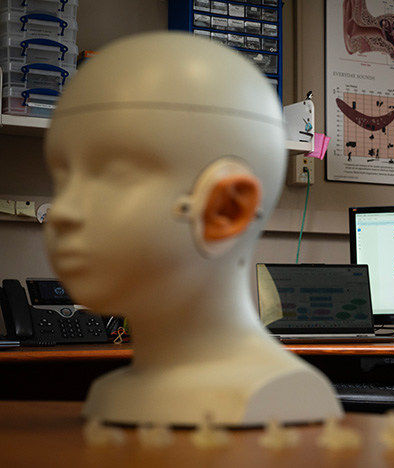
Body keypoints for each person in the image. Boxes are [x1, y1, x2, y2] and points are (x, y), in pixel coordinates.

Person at [43, 31, 342, 427]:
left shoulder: (276, 394)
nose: (61, 212)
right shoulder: (111, 393)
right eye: (62, 176)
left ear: (226, 209)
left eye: (113, 174)